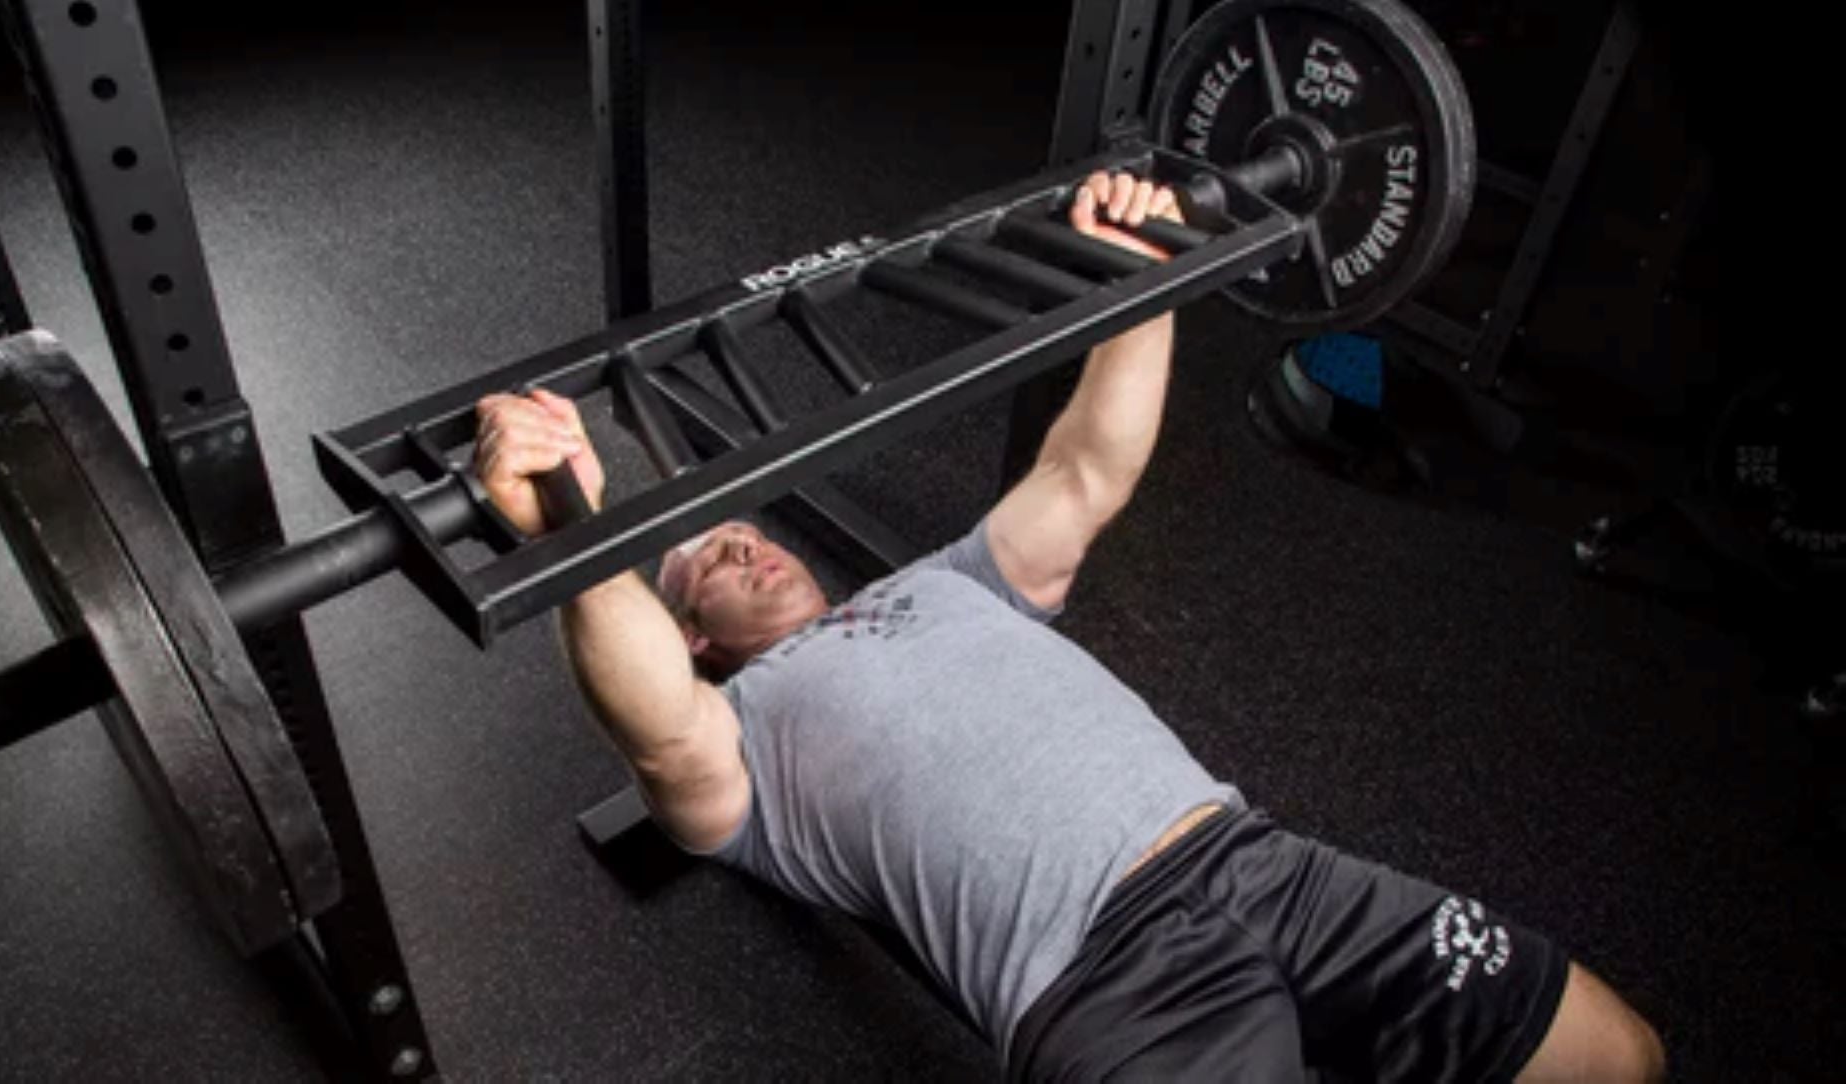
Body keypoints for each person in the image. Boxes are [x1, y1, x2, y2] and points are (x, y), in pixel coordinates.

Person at [473, 172, 1666, 1081]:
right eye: (707, 567)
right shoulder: (741, 747)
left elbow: (1087, 471)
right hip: (1111, 983)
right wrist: (573, 540)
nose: (744, 542)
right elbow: (660, 741)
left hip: (1267, 867)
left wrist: (1134, 277)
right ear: (692, 638)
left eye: (743, 528)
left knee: (1619, 1054)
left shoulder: (946, 582)